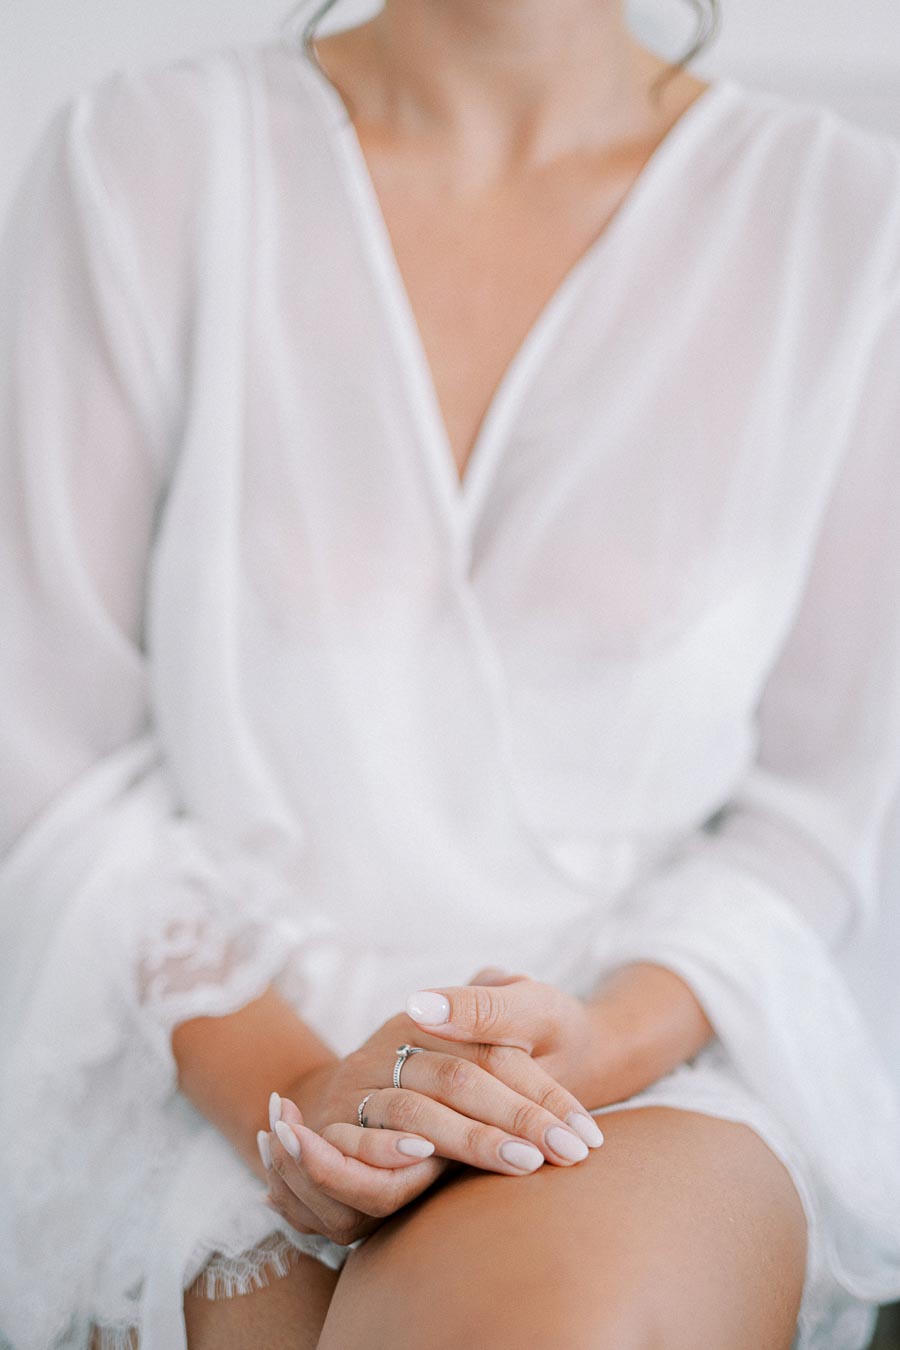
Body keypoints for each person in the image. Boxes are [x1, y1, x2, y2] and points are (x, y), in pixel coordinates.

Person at [2, 0, 900, 1345]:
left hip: (638, 1059)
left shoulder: (845, 223)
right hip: (215, 1061)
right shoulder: (139, 164)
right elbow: (44, 756)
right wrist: (304, 1100)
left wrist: (595, 1040)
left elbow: (824, 812)